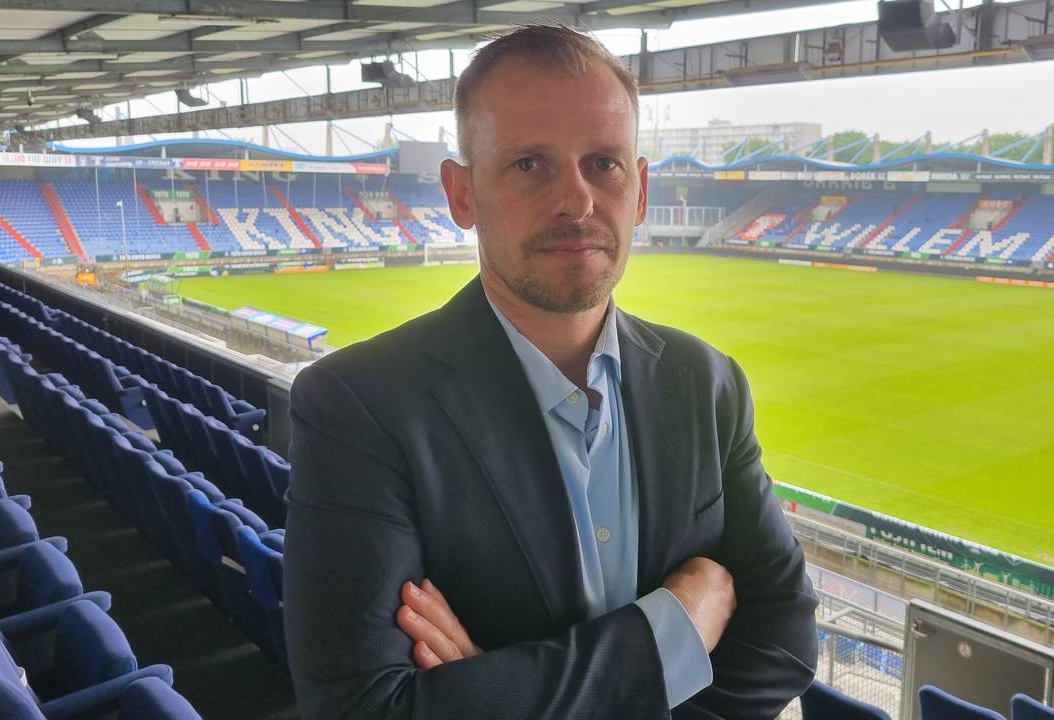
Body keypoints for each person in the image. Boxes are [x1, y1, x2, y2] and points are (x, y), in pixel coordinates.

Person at [283, 24, 818, 720]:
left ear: (641, 188)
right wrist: (675, 630)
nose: (577, 201)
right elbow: (365, 709)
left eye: (604, 163)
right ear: (462, 193)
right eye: (530, 164)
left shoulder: (707, 383)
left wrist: (493, 690)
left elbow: (785, 642)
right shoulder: (358, 405)